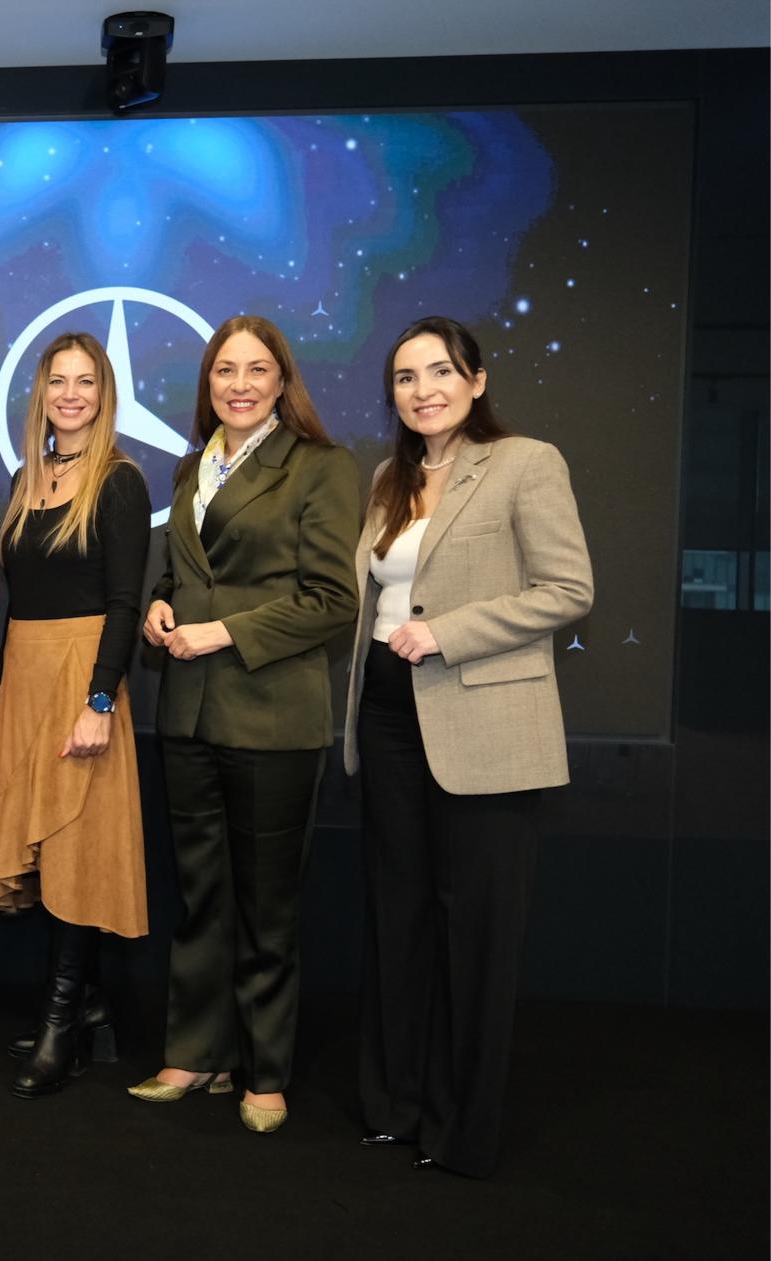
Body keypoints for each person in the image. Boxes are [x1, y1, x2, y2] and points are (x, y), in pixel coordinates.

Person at [345, 316, 593, 1177]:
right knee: (399, 918)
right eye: (406, 377)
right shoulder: (388, 477)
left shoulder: (527, 462)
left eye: (441, 371)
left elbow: (568, 588)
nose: (425, 390)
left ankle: (460, 1128)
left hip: (482, 720)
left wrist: (448, 631)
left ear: (477, 380)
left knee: (477, 932)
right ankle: (396, 1106)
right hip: (386, 717)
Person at [129, 315, 360, 1133]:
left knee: (267, 903)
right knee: (201, 897)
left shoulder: (322, 466)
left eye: (257, 369)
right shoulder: (192, 465)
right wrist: (160, 607)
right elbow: (182, 572)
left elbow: (332, 601)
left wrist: (222, 632)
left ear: (282, 380)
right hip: (188, 712)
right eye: (225, 369)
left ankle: (264, 1071)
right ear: (208, 382)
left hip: (272, 716)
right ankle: (197, 1052)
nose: (239, 383)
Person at [0, 331, 152, 1098]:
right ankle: (88, 1010)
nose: (70, 394)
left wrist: (100, 700)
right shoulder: (25, 477)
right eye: (58, 380)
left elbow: (124, 602)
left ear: (104, 394)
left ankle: (60, 1019)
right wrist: (0, 681)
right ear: (40, 392)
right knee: (47, 851)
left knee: (77, 848)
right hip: (27, 678)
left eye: (85, 381)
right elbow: (19, 597)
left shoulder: (120, 481)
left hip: (84, 680)